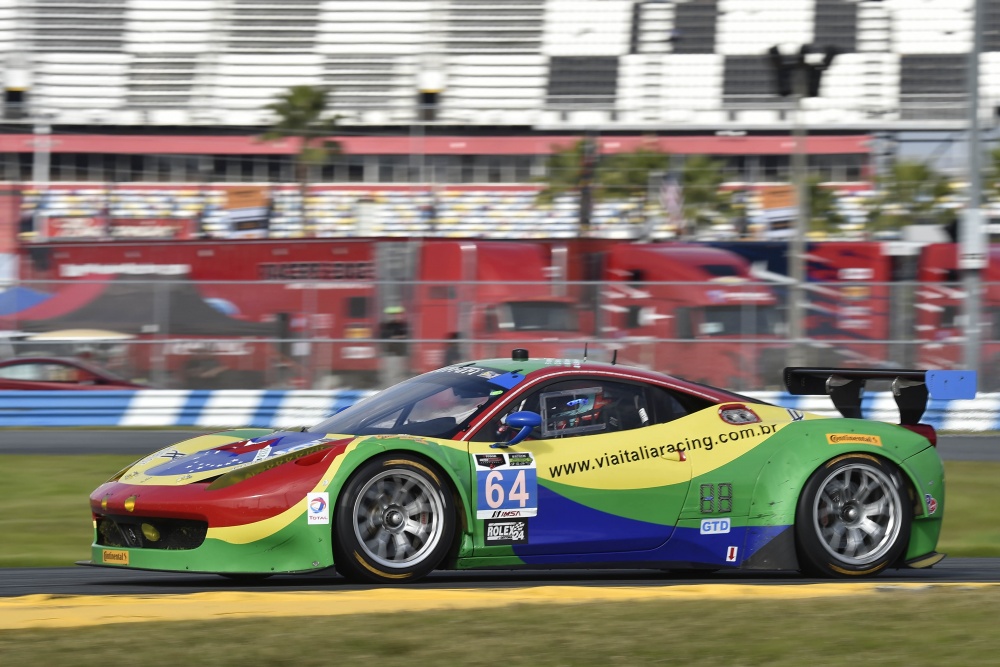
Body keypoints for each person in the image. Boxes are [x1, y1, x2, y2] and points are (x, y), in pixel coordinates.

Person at [379, 305, 409, 386]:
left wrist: (395, 337)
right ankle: (390, 390)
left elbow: (405, 336)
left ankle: (399, 390)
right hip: (391, 353)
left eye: (398, 314)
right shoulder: (386, 326)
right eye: (394, 314)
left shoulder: (403, 325)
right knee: (391, 374)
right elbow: (384, 336)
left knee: (400, 373)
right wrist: (396, 337)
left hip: (400, 353)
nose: (396, 316)